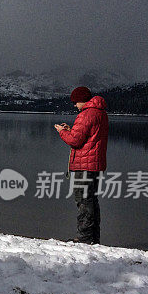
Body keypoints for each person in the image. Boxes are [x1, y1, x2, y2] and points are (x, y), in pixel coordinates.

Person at [54, 86, 108, 244]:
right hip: (95, 163)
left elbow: (75, 141)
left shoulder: (85, 115)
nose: (74, 105)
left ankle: (84, 238)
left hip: (84, 164)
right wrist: (71, 130)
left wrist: (62, 132)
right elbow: (88, 137)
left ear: (82, 100)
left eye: (75, 102)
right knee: (92, 200)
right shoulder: (100, 113)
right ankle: (94, 237)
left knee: (83, 200)